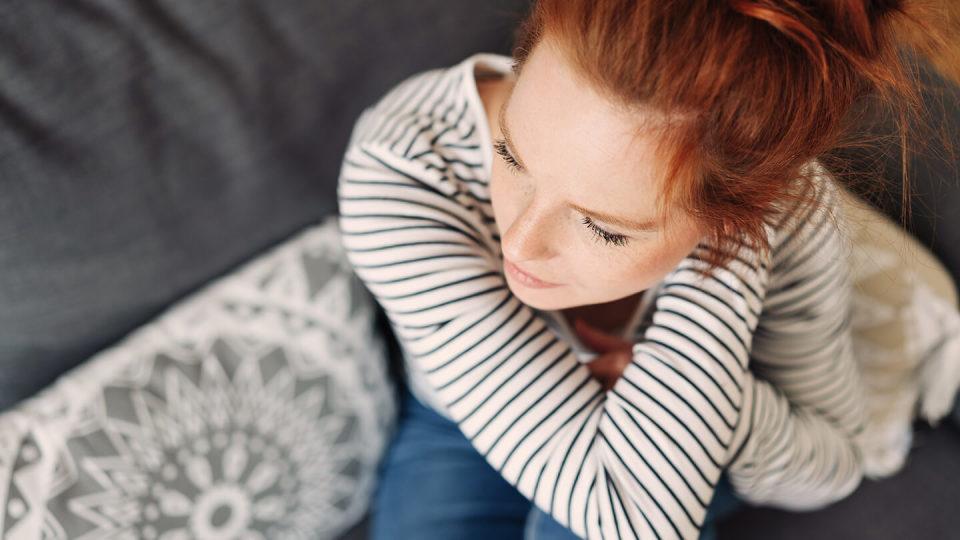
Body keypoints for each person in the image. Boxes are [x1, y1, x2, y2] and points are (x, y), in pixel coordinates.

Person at [337, 1, 955, 538]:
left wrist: (706, 384)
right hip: (461, 424)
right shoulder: (404, 164)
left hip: (688, 435)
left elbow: (826, 469)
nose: (519, 247)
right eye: (509, 152)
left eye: (604, 227)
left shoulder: (786, 217)